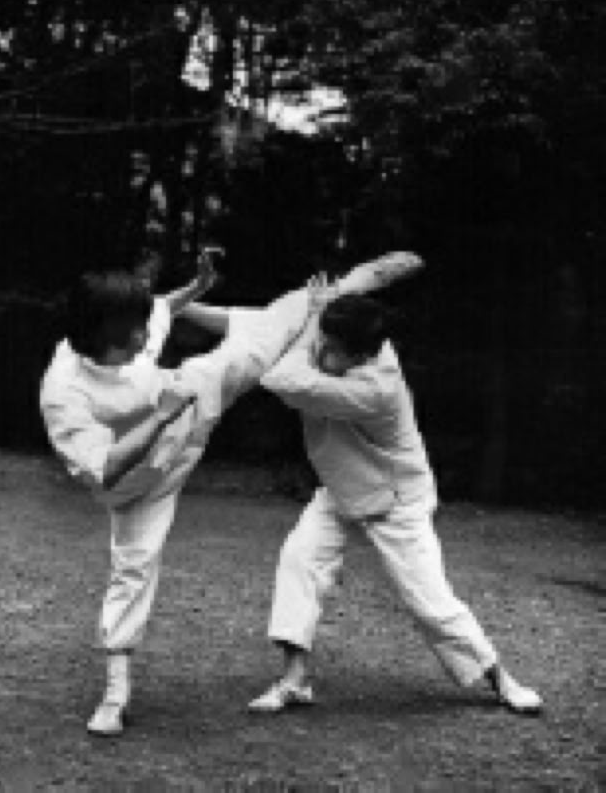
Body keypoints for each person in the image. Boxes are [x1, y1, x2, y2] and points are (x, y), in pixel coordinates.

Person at [40, 247, 419, 736]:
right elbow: (105, 469)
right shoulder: (63, 393)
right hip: (137, 484)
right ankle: (115, 695)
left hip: (191, 402)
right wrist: (160, 415)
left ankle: (346, 288)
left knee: (261, 337)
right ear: (104, 334)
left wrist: (196, 288)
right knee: (132, 567)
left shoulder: (122, 329)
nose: (148, 334)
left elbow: (162, 308)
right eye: (137, 331)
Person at [245, 276, 543, 716]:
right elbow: (307, 345)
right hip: (342, 487)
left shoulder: (373, 387)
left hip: (394, 500)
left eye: (333, 344)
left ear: (361, 354)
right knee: (299, 561)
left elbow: (278, 376)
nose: (324, 350)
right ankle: (294, 679)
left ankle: (502, 679)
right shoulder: (347, 344)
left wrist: (310, 315)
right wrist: (320, 309)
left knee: (428, 601)